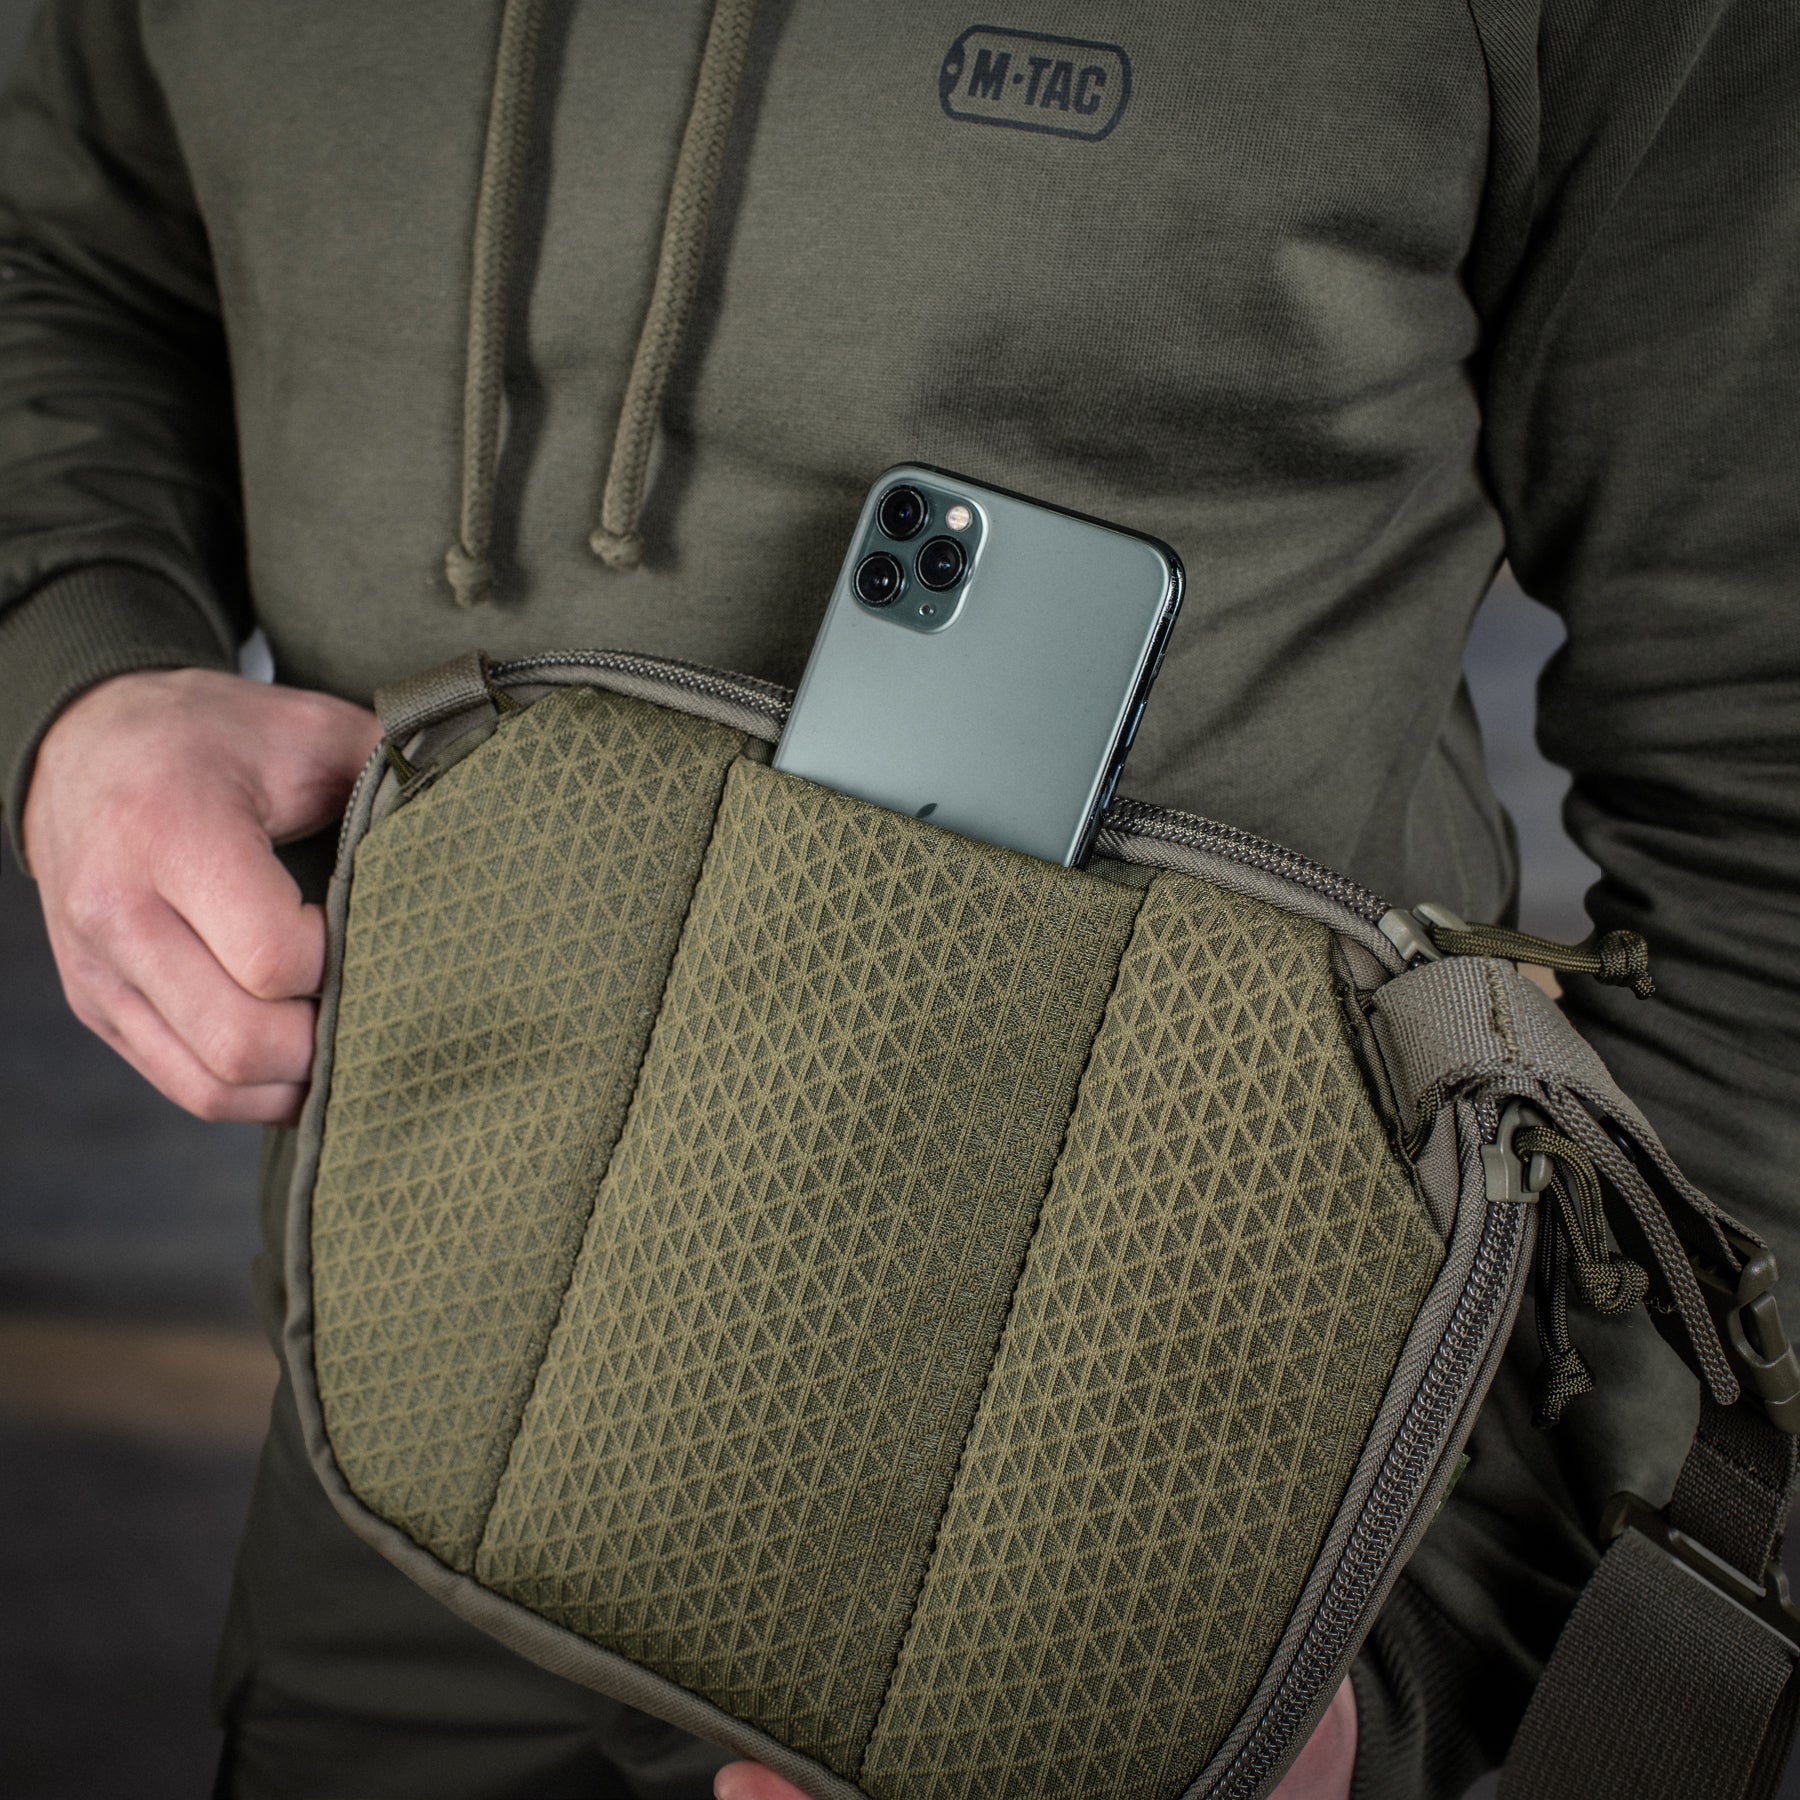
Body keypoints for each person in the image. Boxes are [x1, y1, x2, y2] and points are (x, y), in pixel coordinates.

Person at [2, 2, 1795, 1796]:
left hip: (1145, 1572)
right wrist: (87, 672)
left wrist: (1439, 1653)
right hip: (406, 1426)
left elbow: (1762, 777)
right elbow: (61, 246)